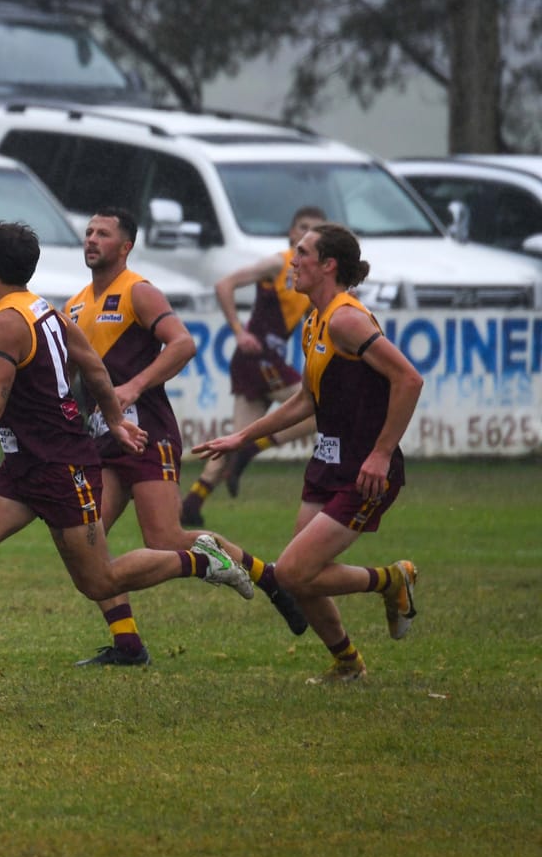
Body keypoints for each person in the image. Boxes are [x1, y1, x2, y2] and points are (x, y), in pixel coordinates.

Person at [0, 221, 255, 704]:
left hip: (59, 467)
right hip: (24, 465)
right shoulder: (46, 311)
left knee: (99, 580)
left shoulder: (6, 322)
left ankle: (202, 561)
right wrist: (115, 419)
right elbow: (93, 364)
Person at [63, 207, 312, 663]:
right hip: (105, 439)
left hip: (148, 432)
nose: (92, 239)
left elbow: (183, 344)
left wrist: (134, 386)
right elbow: (70, 377)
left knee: (165, 538)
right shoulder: (74, 305)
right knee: (86, 544)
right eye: (89, 232)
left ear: (126, 246)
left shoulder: (138, 291)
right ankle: (128, 645)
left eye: (103, 233)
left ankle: (267, 577)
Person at [194, 223, 422, 683]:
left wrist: (381, 454)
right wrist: (241, 439)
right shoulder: (315, 320)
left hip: (364, 469)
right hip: (327, 462)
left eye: (301, 253)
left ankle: (391, 579)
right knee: (303, 577)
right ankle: (348, 663)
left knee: (294, 574)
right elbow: (305, 401)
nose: (292, 261)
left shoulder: (345, 320)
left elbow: (409, 379)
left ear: (328, 265)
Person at [182, 205, 328, 524]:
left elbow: (313, 318)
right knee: (321, 406)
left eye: (315, 230)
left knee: (236, 437)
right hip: (258, 357)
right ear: (291, 233)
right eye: (302, 227)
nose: (306, 234)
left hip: (261, 360)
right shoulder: (278, 263)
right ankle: (251, 450)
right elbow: (224, 284)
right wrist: (238, 331)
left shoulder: (308, 279)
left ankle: (192, 502)